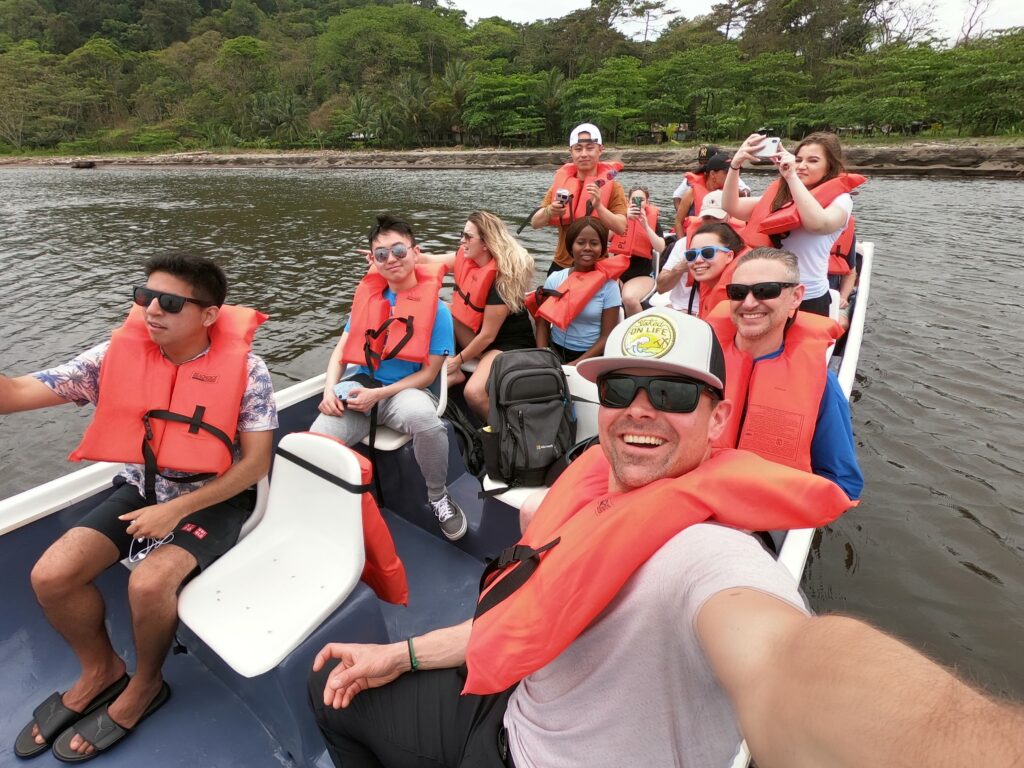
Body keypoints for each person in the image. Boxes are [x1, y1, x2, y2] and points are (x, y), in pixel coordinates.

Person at [307, 309, 1023, 768]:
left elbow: (788, 660)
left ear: (718, 421)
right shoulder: (592, 489)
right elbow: (526, 616)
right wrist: (401, 654)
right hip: (510, 699)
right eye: (621, 390)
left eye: (675, 395)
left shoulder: (707, 556)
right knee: (329, 691)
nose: (641, 411)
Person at [1, 253, 276, 761]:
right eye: (143, 296)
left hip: (218, 494)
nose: (151, 310)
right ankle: (102, 670)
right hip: (147, 483)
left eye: (169, 302)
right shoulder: (113, 357)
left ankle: (146, 684)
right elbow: (14, 393)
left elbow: (257, 464)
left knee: (148, 582)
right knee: (52, 576)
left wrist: (178, 510)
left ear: (210, 314)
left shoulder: (249, 373)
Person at [311, 214, 465, 540]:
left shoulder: (437, 311)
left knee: (425, 420)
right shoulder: (367, 301)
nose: (391, 260)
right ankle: (326, 514)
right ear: (373, 260)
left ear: (415, 252)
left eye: (398, 251)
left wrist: (380, 396)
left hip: (404, 392)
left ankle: (438, 497)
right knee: (317, 441)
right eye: (381, 254)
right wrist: (328, 391)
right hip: (361, 385)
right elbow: (340, 352)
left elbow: (428, 375)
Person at [707, 247, 863, 500]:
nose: (748, 303)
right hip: (691, 503)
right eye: (738, 292)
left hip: (766, 519)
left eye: (766, 291)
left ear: (796, 296)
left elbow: (843, 484)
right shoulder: (697, 365)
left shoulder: (821, 386)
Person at [723, 131, 865, 317]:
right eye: (798, 160)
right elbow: (730, 206)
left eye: (813, 161)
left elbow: (818, 224)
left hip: (809, 297)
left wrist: (791, 176)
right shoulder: (782, 194)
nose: (802, 166)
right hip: (769, 292)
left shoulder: (841, 200)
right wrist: (735, 165)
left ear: (830, 166)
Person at [428, 211, 535, 421]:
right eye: (462, 234)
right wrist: (387, 258)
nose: (462, 241)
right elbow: (427, 260)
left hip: (506, 345)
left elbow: (488, 336)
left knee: (474, 394)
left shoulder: (500, 281)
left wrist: (457, 361)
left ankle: (507, 437)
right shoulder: (468, 258)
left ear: (485, 243)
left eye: (468, 236)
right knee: (438, 308)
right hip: (479, 337)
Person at [529, 123, 627, 275]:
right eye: (578, 149)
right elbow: (535, 223)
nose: (584, 154)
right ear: (571, 152)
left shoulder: (614, 188)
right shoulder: (560, 187)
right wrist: (550, 210)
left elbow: (621, 228)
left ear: (600, 150)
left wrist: (599, 207)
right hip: (562, 264)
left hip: (596, 265)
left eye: (590, 148)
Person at [532, 217, 623, 365]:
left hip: (590, 358)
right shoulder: (555, 279)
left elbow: (607, 336)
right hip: (555, 352)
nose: (587, 247)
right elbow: (542, 323)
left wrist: (575, 365)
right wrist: (543, 356)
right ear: (571, 246)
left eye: (594, 243)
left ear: (601, 249)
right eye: (580, 242)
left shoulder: (609, 286)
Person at [658, 220, 745, 318]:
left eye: (708, 252)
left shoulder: (737, 298)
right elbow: (660, 288)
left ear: (729, 256)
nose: (698, 260)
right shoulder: (709, 283)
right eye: (691, 254)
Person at [611, 185, 666, 317]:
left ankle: (637, 332)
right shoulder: (619, 219)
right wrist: (624, 219)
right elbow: (603, 238)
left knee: (629, 298)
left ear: (647, 203)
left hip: (640, 275)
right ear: (628, 202)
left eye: (641, 199)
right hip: (616, 274)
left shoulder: (652, 222)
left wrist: (645, 226)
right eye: (634, 199)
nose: (637, 202)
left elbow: (660, 247)